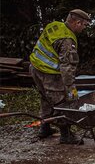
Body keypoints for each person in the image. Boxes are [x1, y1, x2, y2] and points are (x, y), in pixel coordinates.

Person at [29, 9, 91, 144]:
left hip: (35, 68)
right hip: (49, 74)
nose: (84, 28)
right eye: (85, 25)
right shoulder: (67, 40)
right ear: (78, 22)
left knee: (45, 97)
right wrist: (70, 88)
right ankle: (66, 135)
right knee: (61, 103)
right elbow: (67, 67)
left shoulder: (54, 25)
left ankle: (44, 128)